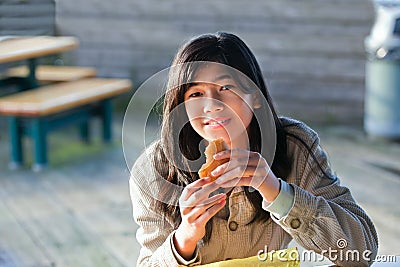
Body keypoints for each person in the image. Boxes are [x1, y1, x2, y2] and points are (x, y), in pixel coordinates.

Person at [129, 32, 378, 266]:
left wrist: (277, 192)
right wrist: (185, 237)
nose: (212, 105)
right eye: (195, 93)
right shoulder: (153, 169)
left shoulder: (294, 145)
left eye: (226, 88)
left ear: (255, 96)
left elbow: (362, 250)